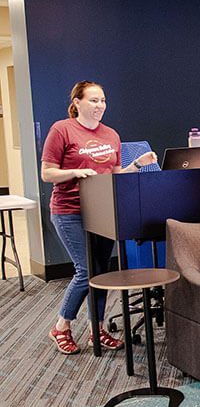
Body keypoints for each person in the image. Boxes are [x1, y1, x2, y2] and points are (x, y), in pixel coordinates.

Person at [41, 80, 158, 355]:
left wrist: (138, 165)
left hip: (104, 211)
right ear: (77, 102)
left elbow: (114, 174)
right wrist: (74, 173)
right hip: (69, 210)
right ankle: (61, 326)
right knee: (86, 271)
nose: (100, 106)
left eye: (103, 100)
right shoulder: (62, 129)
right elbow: (47, 173)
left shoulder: (111, 135)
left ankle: (98, 328)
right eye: (93, 100)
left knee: (102, 273)